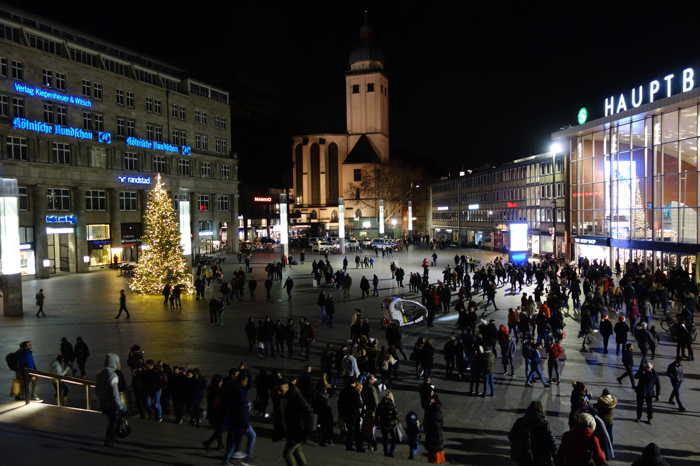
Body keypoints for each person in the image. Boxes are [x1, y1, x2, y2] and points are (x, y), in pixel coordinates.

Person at [273, 378, 314, 466]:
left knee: (287, 453)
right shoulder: (283, 395)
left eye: (280, 390)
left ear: (287, 387)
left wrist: (308, 430)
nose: (278, 392)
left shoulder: (295, 395)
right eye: (277, 390)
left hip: (298, 430)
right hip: (291, 430)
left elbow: (308, 411)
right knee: (296, 451)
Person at [508, 401, 557, 466]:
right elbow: (551, 443)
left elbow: (511, 436)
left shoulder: (519, 422)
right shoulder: (543, 424)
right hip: (541, 459)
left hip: (523, 458)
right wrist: (556, 458)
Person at [95, 353, 127, 447]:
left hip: (103, 402)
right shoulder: (113, 375)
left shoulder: (100, 374)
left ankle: (112, 439)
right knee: (114, 421)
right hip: (112, 403)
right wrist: (120, 405)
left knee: (111, 420)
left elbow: (97, 391)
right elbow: (115, 393)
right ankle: (109, 440)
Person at [377, 391, 399, 457]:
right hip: (391, 423)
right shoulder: (392, 403)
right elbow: (395, 414)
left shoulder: (380, 403)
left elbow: (378, 413)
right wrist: (396, 420)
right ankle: (391, 452)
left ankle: (385, 452)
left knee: (385, 438)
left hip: (383, 423)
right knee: (394, 438)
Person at [424, 393, 445, 464]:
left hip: (433, 433)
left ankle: (435, 461)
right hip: (436, 434)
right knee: (436, 450)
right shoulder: (436, 409)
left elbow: (428, 422)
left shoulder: (432, 409)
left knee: (434, 451)